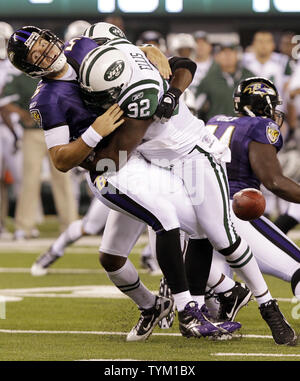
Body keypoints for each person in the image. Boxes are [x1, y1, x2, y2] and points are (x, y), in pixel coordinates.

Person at [7, 24, 240, 342]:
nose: (46, 53)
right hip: (107, 167)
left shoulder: (82, 46)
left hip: (139, 156)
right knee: (167, 220)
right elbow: (61, 160)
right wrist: (96, 130)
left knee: (117, 254)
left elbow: (132, 58)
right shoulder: (47, 99)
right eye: (37, 55)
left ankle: (189, 300)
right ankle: (190, 309)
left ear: (53, 38)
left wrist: (147, 51)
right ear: (31, 69)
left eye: (45, 44)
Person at [79, 24, 297, 345]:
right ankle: (194, 305)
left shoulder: (140, 64)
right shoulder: (91, 78)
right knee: (169, 228)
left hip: (191, 155)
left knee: (220, 236)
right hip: (152, 161)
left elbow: (183, 65)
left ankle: (267, 306)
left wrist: (170, 93)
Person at [197, 78, 300, 330]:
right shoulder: (260, 126)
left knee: (221, 272)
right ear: (262, 104)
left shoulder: (215, 122)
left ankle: (218, 321)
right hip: (237, 210)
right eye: (271, 104)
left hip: (203, 211)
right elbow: (274, 181)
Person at [195, 42, 254, 122]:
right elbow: (197, 106)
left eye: (231, 52)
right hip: (217, 129)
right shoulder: (209, 79)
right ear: (217, 56)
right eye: (223, 52)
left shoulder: (249, 77)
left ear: (237, 55)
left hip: (244, 128)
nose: (227, 55)